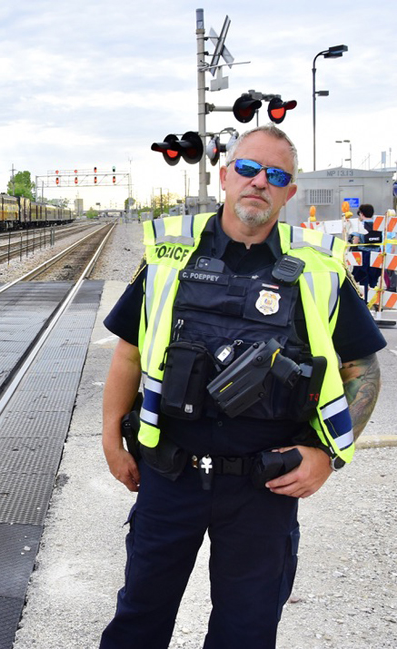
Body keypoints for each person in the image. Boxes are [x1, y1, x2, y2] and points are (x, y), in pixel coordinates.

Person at [99, 125, 383, 649]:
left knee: (246, 632)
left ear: (289, 192)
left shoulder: (319, 269)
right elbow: (129, 351)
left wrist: (327, 455)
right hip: (169, 475)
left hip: (264, 487)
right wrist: (112, 442)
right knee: (140, 617)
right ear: (227, 175)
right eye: (249, 169)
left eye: (276, 175)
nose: (260, 182)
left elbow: (362, 365)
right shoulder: (169, 256)